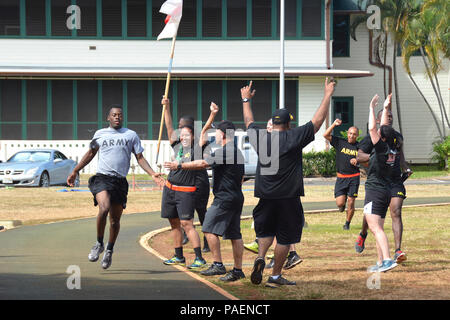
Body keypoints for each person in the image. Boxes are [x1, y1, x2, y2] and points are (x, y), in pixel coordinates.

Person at [243, 78, 336, 287]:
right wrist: (327, 94)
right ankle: (275, 276)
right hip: (288, 197)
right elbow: (318, 122)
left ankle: (260, 257)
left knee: (266, 232)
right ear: (287, 124)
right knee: (285, 237)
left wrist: (245, 100)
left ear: (273, 124)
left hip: (265, 196)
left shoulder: (260, 137)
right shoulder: (293, 137)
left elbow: (249, 122)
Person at [67, 105, 164, 269]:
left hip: (120, 182)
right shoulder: (100, 134)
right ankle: (99, 243)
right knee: (103, 208)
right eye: (114, 115)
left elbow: (139, 157)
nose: (117, 117)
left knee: (114, 221)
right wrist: (75, 170)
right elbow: (90, 153)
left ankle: (109, 249)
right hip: (102, 178)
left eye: (119, 115)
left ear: (122, 117)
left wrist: (152, 173)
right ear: (108, 118)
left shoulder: (131, 135)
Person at [165, 103, 246, 282]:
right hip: (236, 197)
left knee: (208, 228)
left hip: (224, 198)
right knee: (234, 235)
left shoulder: (225, 151)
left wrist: (178, 165)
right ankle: (238, 270)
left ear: (223, 135)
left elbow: (202, 163)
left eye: (217, 131)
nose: (214, 134)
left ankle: (217, 264)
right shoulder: (235, 151)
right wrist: (211, 116)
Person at [355, 93, 412, 263]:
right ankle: (365, 236)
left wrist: (405, 167)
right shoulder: (374, 142)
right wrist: (371, 159)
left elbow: (399, 154)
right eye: (387, 116)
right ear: (380, 121)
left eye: (391, 116)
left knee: (394, 212)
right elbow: (359, 155)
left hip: (393, 183)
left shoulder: (395, 138)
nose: (390, 118)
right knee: (373, 220)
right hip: (377, 183)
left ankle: (394, 252)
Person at [244, 119, 303, 271]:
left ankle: (280, 255)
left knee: (276, 231)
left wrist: (246, 100)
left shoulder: (267, 143)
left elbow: (249, 122)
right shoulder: (275, 142)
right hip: (284, 195)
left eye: (271, 124)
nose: (268, 127)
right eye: (267, 125)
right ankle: (276, 266)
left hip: (272, 195)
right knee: (280, 230)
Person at [160, 98, 207, 270]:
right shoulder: (177, 145)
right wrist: (167, 108)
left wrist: (178, 165)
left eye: (187, 134)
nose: (183, 136)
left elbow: (200, 163)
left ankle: (199, 258)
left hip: (185, 192)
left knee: (187, 224)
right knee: (174, 224)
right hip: (170, 189)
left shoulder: (197, 148)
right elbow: (169, 127)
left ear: (193, 135)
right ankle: (178, 255)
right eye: (182, 134)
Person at [363, 94, 400, 273]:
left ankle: (386, 260)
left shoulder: (379, 147)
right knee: (379, 228)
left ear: (381, 136)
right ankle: (380, 262)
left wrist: (371, 108)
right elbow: (383, 127)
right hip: (385, 190)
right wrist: (385, 108)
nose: (377, 131)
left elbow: (372, 128)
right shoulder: (391, 146)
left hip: (375, 191)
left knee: (375, 227)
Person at [323, 119, 360, 230]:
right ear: (347, 134)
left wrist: (358, 160)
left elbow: (367, 161)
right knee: (339, 203)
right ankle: (342, 205)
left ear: (357, 136)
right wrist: (334, 124)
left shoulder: (360, 147)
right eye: (350, 133)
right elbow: (325, 135)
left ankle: (347, 224)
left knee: (351, 201)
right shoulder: (340, 142)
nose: (352, 136)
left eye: (354, 134)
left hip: (354, 178)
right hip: (341, 178)